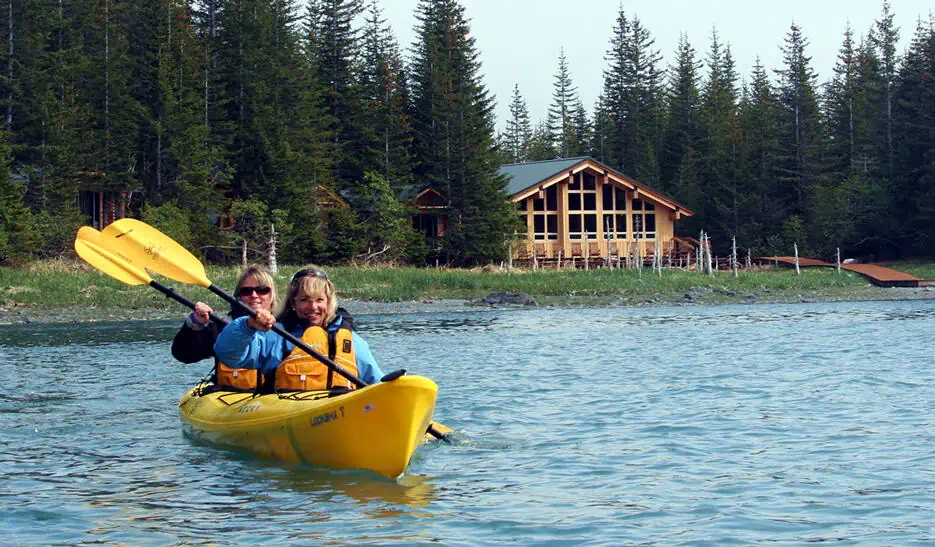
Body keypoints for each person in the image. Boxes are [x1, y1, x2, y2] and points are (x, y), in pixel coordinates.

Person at [214, 265, 383, 392]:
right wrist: (247, 325)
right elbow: (229, 355)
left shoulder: (349, 340)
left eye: (319, 300)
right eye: (304, 300)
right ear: (293, 303)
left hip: (337, 409)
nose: (312, 307)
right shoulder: (276, 335)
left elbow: (375, 380)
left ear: (329, 303)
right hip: (288, 411)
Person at [171, 265, 279, 391]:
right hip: (228, 396)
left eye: (262, 290)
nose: (254, 295)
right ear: (239, 296)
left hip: (274, 397)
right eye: (246, 291)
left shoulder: (286, 327)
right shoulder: (223, 326)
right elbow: (184, 355)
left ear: (272, 295)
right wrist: (196, 324)